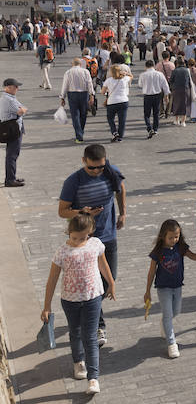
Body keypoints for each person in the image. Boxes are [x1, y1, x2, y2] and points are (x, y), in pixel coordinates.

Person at [57, 144, 126, 349]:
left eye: (100, 167)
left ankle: (89, 315)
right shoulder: (73, 181)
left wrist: (123, 213)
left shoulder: (110, 172)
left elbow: (120, 188)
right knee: (92, 286)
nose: (97, 171)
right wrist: (81, 211)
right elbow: (62, 211)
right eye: (92, 168)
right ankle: (98, 325)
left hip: (107, 237)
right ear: (83, 161)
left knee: (106, 282)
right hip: (83, 242)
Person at [40, 214, 116, 395]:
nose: (78, 241)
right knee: (75, 332)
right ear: (68, 232)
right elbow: (52, 280)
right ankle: (78, 362)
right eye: (74, 237)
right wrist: (46, 306)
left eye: (83, 238)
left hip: (93, 297)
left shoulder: (95, 244)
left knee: (90, 337)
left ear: (90, 233)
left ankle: (93, 379)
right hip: (70, 300)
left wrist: (111, 283)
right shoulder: (62, 252)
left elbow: (103, 265)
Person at [143, 219, 196, 359]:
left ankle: (165, 323)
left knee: (176, 311)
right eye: (170, 237)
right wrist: (147, 291)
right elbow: (151, 272)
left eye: (176, 237)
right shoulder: (158, 251)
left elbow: (191, 255)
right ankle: (171, 344)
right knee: (168, 314)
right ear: (163, 236)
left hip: (177, 286)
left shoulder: (181, 247)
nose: (174, 240)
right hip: (163, 288)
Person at [59, 58, 94, 143]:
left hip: (72, 94)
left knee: (75, 115)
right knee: (83, 114)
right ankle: (80, 132)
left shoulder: (68, 72)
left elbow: (65, 85)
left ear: (72, 64)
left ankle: (79, 135)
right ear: (81, 64)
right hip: (84, 93)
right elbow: (89, 83)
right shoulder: (85, 72)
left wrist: (62, 97)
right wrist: (91, 95)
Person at [1, 78, 26, 187]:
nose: (17, 88)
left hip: (12, 128)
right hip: (13, 129)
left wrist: (22, 109)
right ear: (8, 87)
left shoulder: (9, 98)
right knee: (12, 155)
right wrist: (23, 110)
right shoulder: (9, 99)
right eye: (16, 87)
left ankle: (12, 177)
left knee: (12, 154)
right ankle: (10, 180)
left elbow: (22, 108)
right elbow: (21, 111)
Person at [138, 59, 170, 138]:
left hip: (147, 95)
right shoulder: (159, 74)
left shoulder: (143, 75)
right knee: (156, 113)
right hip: (157, 95)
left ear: (146, 66)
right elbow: (165, 85)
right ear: (154, 66)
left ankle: (149, 128)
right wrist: (166, 95)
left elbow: (140, 85)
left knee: (147, 114)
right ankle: (155, 129)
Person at [100, 64, 132, 142]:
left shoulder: (108, 80)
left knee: (110, 118)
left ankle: (114, 132)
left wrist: (107, 91)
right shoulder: (124, 79)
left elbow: (102, 92)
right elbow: (131, 76)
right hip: (123, 101)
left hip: (112, 102)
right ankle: (120, 136)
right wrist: (125, 73)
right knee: (122, 120)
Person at [169, 57, 192, 126]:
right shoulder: (187, 70)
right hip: (185, 89)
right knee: (184, 104)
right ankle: (183, 121)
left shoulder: (175, 71)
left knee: (176, 104)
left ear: (177, 63)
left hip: (176, 89)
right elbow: (189, 81)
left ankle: (177, 120)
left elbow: (171, 81)